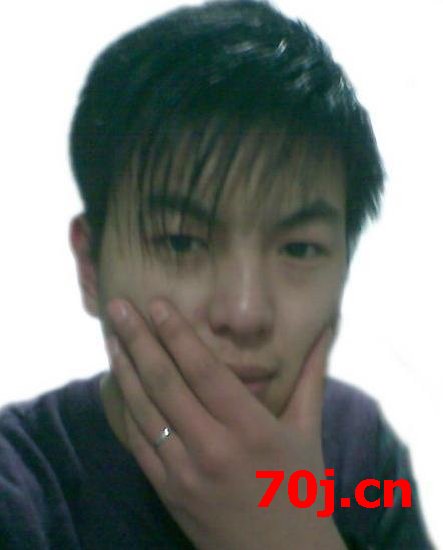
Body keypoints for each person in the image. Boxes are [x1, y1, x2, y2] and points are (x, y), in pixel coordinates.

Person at [0, 0, 434, 548]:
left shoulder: (360, 452)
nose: (245, 313)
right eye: (181, 241)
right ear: (91, 267)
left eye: (299, 248)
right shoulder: (22, 490)